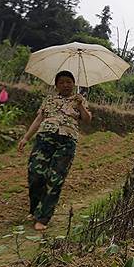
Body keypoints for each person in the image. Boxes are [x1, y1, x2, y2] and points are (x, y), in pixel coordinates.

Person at [17, 70, 92, 231]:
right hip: (44, 139)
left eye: (69, 81)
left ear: (73, 84)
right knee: (35, 174)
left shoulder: (79, 100)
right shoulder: (49, 100)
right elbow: (39, 119)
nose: (65, 84)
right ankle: (34, 208)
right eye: (62, 82)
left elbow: (87, 119)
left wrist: (80, 106)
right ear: (56, 85)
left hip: (67, 141)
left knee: (55, 179)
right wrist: (25, 138)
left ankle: (43, 218)